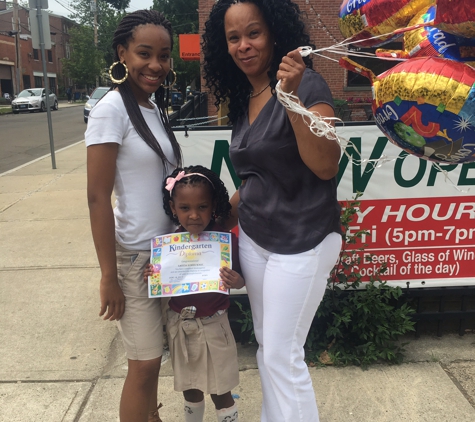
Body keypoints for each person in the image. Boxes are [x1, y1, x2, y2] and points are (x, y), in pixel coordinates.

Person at [202, 1, 343, 421]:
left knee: (283, 355)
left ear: (274, 33)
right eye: (233, 37)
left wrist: (292, 97)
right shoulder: (247, 96)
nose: (244, 45)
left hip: (303, 240)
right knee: (268, 348)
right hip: (257, 241)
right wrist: (217, 219)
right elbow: (256, 179)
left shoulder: (308, 84)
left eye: (254, 33)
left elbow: (325, 163)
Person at [85, 9, 182, 422]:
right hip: (134, 260)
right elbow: (96, 197)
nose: (156, 65)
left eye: (164, 55)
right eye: (145, 53)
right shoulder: (112, 109)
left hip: (165, 256)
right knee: (142, 366)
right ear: (122, 53)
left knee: (154, 362)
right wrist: (109, 275)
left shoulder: (152, 109)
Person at [144, 165, 244, 422]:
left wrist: (236, 280)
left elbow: (241, 279)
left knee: (221, 390)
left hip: (214, 325)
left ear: (214, 206)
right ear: (173, 208)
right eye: (185, 208)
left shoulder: (224, 241)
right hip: (181, 324)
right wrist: (153, 275)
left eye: (202, 207)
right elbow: (160, 284)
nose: (194, 215)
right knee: (190, 388)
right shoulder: (168, 245)